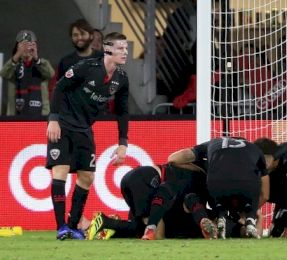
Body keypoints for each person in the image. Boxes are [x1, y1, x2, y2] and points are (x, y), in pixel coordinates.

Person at [46, 32, 130, 240]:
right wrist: (53, 119)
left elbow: (122, 111)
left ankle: (74, 226)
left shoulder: (121, 78)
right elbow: (59, 88)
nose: (125, 52)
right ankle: (61, 227)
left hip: (84, 128)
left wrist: (123, 143)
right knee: (60, 171)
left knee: (87, 176)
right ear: (108, 49)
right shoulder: (86, 67)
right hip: (63, 125)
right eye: (120, 48)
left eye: (126, 48)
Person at [168, 137, 270, 239]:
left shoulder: (213, 148)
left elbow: (173, 158)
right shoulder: (254, 153)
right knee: (192, 199)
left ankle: (212, 223)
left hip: (211, 202)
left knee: (192, 199)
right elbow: (265, 195)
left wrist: (201, 170)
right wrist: (254, 215)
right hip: (217, 208)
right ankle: (215, 222)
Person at [86, 164, 216, 240]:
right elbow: (164, 195)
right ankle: (105, 221)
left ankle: (110, 227)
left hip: (132, 178)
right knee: (155, 234)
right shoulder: (194, 183)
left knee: (139, 229)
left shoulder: (187, 173)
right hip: (147, 178)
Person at [0, 30, 54, 116]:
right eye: (23, 45)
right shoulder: (13, 65)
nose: (26, 48)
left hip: (41, 115)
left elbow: (50, 74)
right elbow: (4, 74)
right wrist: (17, 55)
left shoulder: (41, 63)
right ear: (17, 47)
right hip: (16, 116)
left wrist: (37, 58)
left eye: (29, 44)